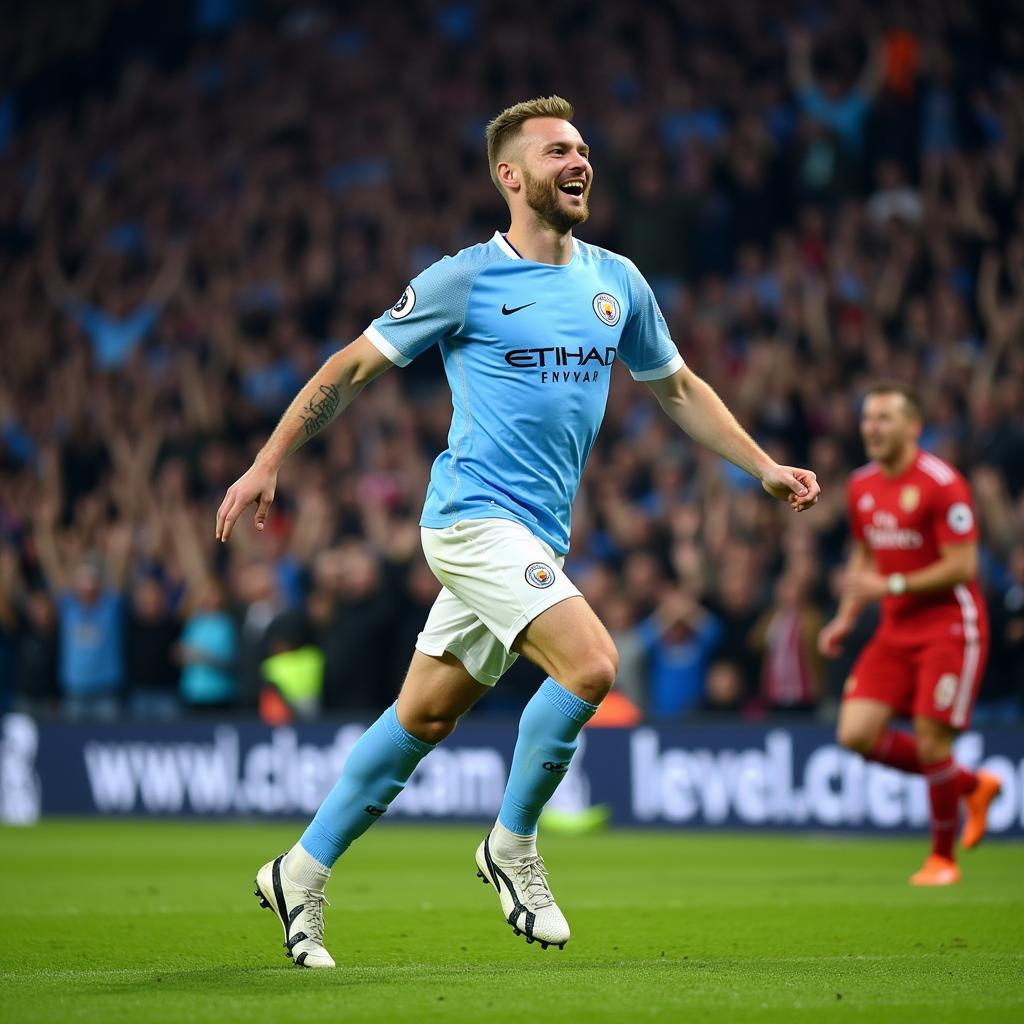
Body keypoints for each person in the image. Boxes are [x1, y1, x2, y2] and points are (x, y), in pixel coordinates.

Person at [217, 96, 820, 968]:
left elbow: (679, 388)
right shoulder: (465, 278)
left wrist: (760, 464)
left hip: (538, 537)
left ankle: (299, 872)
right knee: (593, 664)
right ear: (511, 176)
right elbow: (352, 365)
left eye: (582, 150)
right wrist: (267, 457)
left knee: (422, 715)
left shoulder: (619, 282)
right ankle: (511, 847)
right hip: (469, 521)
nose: (578, 163)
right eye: (556, 153)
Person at [818, 381, 1001, 887]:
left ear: (913, 427)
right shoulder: (860, 486)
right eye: (867, 418)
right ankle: (971, 785)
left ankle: (943, 859)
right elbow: (864, 554)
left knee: (930, 740)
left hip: (949, 625)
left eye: (884, 419)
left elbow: (963, 567)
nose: (871, 428)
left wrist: (890, 584)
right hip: (895, 627)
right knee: (855, 733)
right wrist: (846, 617)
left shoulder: (943, 484)